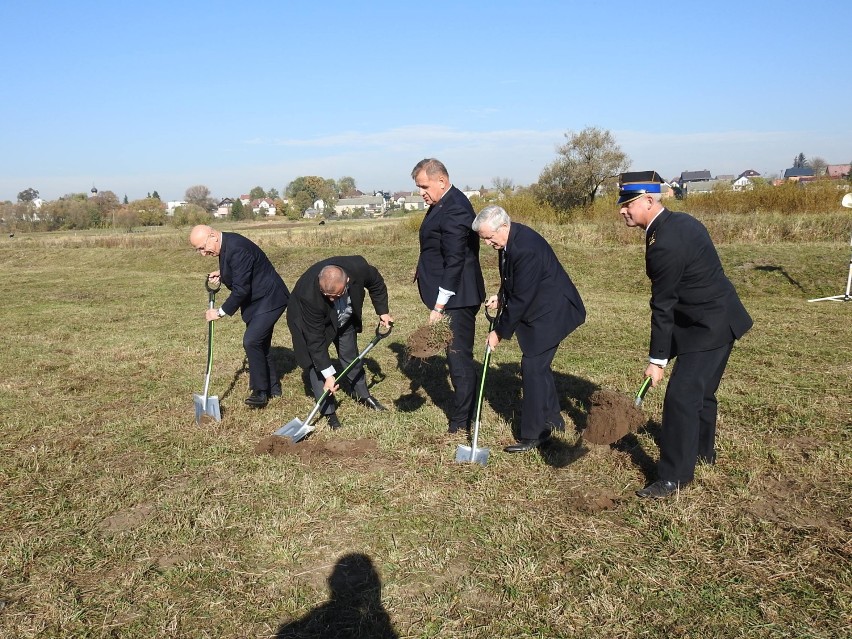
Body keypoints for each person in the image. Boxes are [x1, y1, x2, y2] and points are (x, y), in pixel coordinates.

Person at [617, 171, 753, 498]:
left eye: (628, 203)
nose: (622, 210)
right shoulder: (680, 222)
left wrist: (657, 360)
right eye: (621, 203)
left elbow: (662, 306)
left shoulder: (664, 243)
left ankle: (674, 477)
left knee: (681, 397)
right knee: (701, 394)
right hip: (720, 318)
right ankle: (703, 453)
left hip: (707, 327)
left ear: (649, 201)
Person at [473, 205, 586, 452]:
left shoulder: (526, 248)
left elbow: (523, 298)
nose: (488, 244)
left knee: (532, 367)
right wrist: (501, 297)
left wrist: (499, 332)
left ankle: (535, 434)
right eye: (484, 239)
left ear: (503, 226)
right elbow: (512, 279)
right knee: (539, 367)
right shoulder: (508, 242)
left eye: (490, 237)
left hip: (554, 311)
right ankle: (554, 420)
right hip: (540, 308)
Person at [411, 158, 485, 433]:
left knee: (458, 358)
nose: (421, 193)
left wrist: (439, 305)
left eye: (424, 186)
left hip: (459, 297)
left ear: (441, 180)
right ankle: (466, 410)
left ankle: (462, 420)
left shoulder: (455, 208)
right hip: (453, 294)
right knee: (456, 356)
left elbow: (455, 260)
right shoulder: (442, 202)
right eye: (419, 188)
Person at [287, 256, 393, 430]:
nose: (331, 300)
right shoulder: (310, 296)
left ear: (348, 282)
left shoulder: (359, 268)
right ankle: (329, 412)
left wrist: (383, 312)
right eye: (327, 296)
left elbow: (376, 283)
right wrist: (329, 375)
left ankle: (363, 394)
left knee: (350, 354)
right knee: (315, 364)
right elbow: (316, 342)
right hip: (307, 318)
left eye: (336, 295)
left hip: (344, 315)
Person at [189, 225, 290, 409]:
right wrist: (223, 273)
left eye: (203, 248)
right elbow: (241, 268)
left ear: (212, 236)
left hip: (270, 298)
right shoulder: (226, 244)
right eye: (198, 250)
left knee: (251, 341)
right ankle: (273, 389)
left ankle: (259, 392)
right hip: (257, 300)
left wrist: (219, 312)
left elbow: (242, 289)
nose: (203, 254)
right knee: (261, 344)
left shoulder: (237, 247)